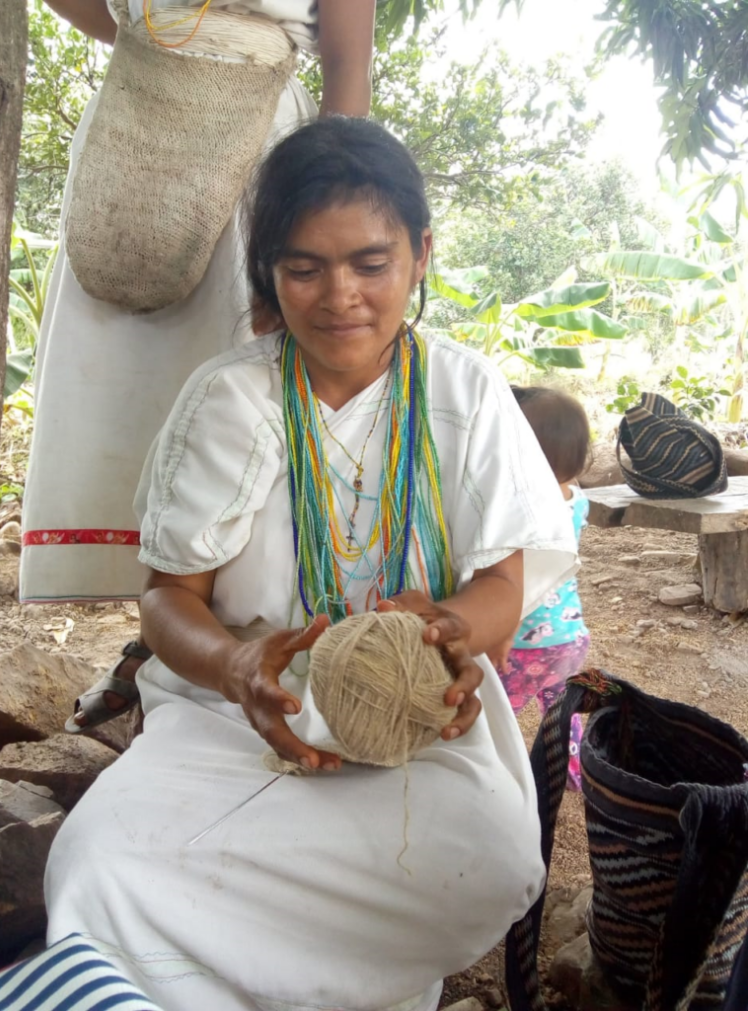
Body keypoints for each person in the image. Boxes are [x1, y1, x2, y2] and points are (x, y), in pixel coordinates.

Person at [45, 118, 579, 1011]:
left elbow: (503, 583)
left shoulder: (465, 390)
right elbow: (168, 600)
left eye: (371, 263)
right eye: (303, 267)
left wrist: (452, 633)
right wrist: (235, 664)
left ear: (420, 254)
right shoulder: (227, 397)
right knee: (100, 865)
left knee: (488, 862)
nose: (340, 296)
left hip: (418, 727)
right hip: (234, 721)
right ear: (269, 274)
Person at [24, 0, 376, 731]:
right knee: (130, 398)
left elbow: (348, 59)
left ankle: (224, 650)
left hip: (259, 153)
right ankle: (154, 640)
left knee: (236, 397)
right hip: (137, 132)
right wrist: (155, 33)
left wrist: (313, 210)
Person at [493, 386, 591, 790]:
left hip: (520, 642)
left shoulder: (520, 507)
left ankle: (500, 778)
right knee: (561, 712)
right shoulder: (576, 498)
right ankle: (575, 772)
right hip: (568, 637)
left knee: (496, 714)